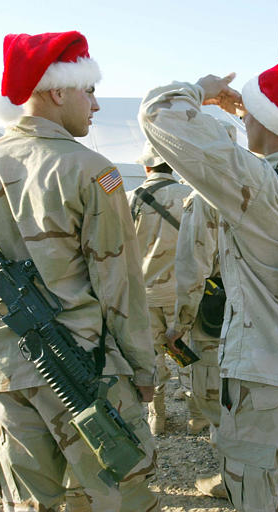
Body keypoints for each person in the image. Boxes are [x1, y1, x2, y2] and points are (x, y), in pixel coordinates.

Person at [0, 31, 159, 512]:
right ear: (57, 90)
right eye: (88, 90)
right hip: (86, 368)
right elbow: (120, 283)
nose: (96, 105)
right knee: (117, 495)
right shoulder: (93, 169)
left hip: (10, 368)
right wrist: (144, 367)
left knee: (29, 502)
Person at [139, 55, 278, 511]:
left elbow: (159, 115)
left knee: (265, 497)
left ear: (269, 120)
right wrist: (258, 111)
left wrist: (201, 88)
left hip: (266, 378)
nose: (245, 116)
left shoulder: (260, 185)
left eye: (253, 111)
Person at [126, 143, 190, 435]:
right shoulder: (189, 196)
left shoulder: (133, 199)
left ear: (147, 167)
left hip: (146, 293)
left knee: (153, 356)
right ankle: (196, 416)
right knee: (187, 356)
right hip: (183, 294)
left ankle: (157, 418)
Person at [172, 189, 226, 498]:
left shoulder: (205, 196)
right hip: (263, 315)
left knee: (217, 398)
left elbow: (194, 268)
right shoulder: (262, 181)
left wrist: (180, 324)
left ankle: (235, 480)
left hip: (214, 319)